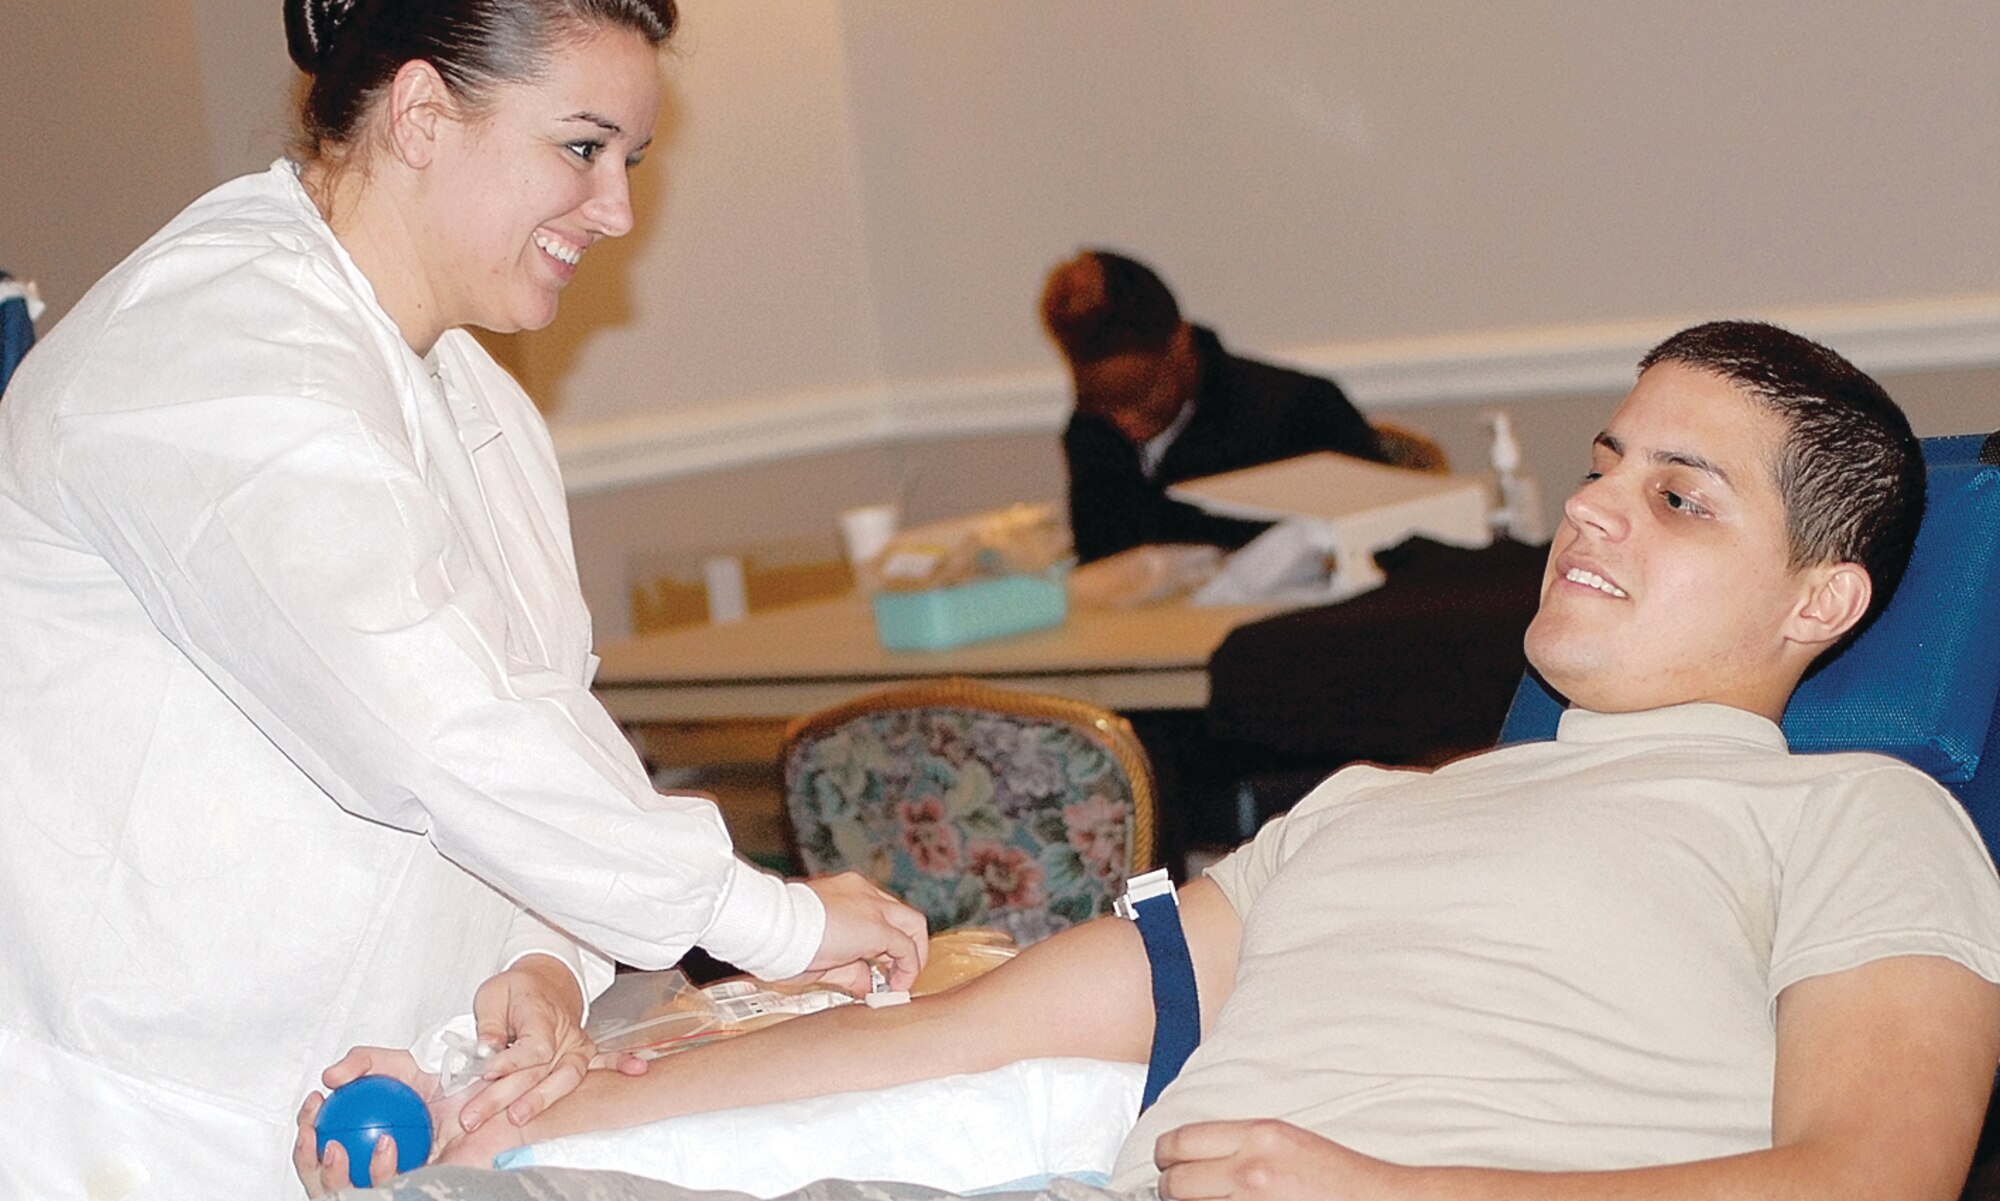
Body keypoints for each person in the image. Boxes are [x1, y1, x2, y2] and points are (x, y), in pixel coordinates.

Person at [416, 320, 2000, 1200]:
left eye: (1679, 496)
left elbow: (1873, 1176)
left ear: (1822, 599)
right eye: (1602, 468)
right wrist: (540, 1121)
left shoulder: (1863, 817)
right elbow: (960, 1036)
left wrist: (1393, 1197)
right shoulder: (1365, 809)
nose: (1590, 508)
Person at [0, 2, 927, 1197]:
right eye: (582, 149)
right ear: (423, 113)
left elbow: (546, 735)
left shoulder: (483, 406)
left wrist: (540, 959)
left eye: (628, 162)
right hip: (133, 1120)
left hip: (370, 1103)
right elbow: (428, 727)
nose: (615, 211)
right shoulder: (211, 349)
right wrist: (770, 924)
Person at [1043, 249, 1387, 564]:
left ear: (1181, 344)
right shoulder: (1092, 433)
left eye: (1146, 395)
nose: (1126, 420)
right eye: (1103, 403)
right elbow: (1099, 554)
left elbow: (1382, 543)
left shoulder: (1300, 410)